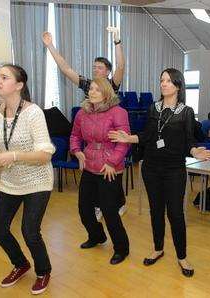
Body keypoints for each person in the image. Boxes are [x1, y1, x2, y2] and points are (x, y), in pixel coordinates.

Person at [108, 68, 210, 277]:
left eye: (168, 80)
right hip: (151, 168)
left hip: (174, 169)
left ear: (177, 85)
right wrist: (129, 138)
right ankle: (158, 249)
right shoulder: (153, 108)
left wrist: (194, 151)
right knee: (156, 211)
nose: (163, 84)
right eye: (161, 80)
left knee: (175, 214)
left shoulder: (186, 111)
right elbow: (148, 136)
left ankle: (182, 257)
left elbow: (189, 141)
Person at [0, 64, 55, 295]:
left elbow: (45, 154)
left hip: (38, 179)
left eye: (4, 77)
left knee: (29, 230)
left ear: (19, 85)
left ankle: (43, 270)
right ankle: (21, 263)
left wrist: (14, 155)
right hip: (11, 180)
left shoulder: (33, 112)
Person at [42, 27, 128, 217]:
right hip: (94, 129)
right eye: (94, 67)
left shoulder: (113, 84)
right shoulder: (89, 85)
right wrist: (50, 46)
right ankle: (100, 205)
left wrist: (117, 41)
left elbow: (121, 66)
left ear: (107, 72)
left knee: (112, 176)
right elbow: (66, 69)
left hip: (111, 133)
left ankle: (117, 202)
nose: (95, 69)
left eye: (99, 67)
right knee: (95, 177)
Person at [70, 78, 130, 265]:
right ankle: (97, 236)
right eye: (91, 89)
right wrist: (77, 152)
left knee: (109, 210)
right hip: (89, 164)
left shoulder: (118, 112)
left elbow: (124, 141)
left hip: (109, 167)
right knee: (84, 208)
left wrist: (112, 162)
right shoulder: (82, 113)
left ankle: (121, 248)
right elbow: (74, 136)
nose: (92, 92)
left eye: (97, 89)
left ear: (106, 92)